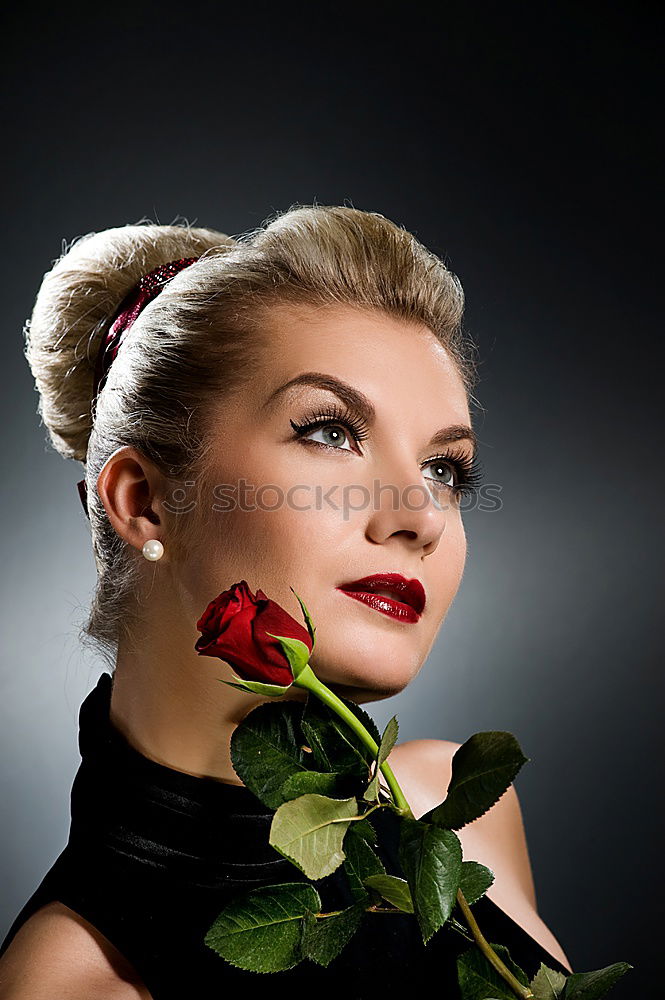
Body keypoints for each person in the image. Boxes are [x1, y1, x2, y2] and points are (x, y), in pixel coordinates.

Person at [0, 205, 571, 997]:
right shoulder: (80, 984)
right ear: (146, 501)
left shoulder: (456, 806)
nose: (419, 516)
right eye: (331, 432)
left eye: (446, 468)